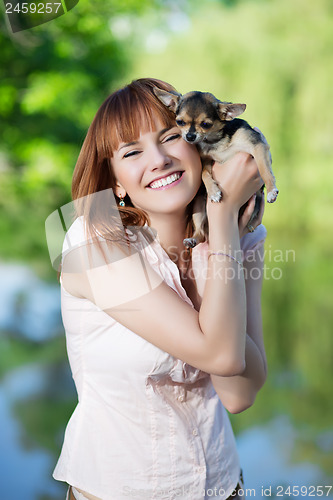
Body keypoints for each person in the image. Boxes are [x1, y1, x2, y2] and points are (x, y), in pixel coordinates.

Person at [52, 78, 268, 500]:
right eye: (132, 152)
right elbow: (223, 355)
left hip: (223, 487)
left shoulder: (244, 237)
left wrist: (218, 237)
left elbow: (238, 393)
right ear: (115, 182)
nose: (160, 159)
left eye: (170, 137)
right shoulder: (91, 245)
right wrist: (222, 216)